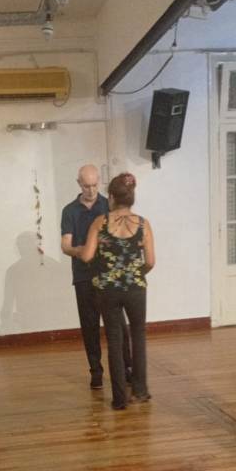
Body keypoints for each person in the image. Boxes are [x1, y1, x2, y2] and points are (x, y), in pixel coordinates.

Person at [81, 172, 155, 410]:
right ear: (131, 197)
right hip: (135, 288)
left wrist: (74, 249)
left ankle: (120, 399)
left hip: (108, 289)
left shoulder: (99, 222)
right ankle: (140, 391)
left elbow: (87, 256)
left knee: (114, 340)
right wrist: (135, 273)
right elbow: (150, 262)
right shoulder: (143, 224)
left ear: (111, 197)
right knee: (138, 336)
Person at [61, 164, 131, 389]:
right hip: (83, 275)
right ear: (78, 184)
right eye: (86, 186)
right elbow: (65, 245)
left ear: (99, 182)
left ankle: (126, 369)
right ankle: (96, 371)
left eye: (94, 185)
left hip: (109, 275)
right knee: (89, 326)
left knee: (118, 325)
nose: (91, 190)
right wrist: (81, 251)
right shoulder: (69, 211)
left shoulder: (108, 205)